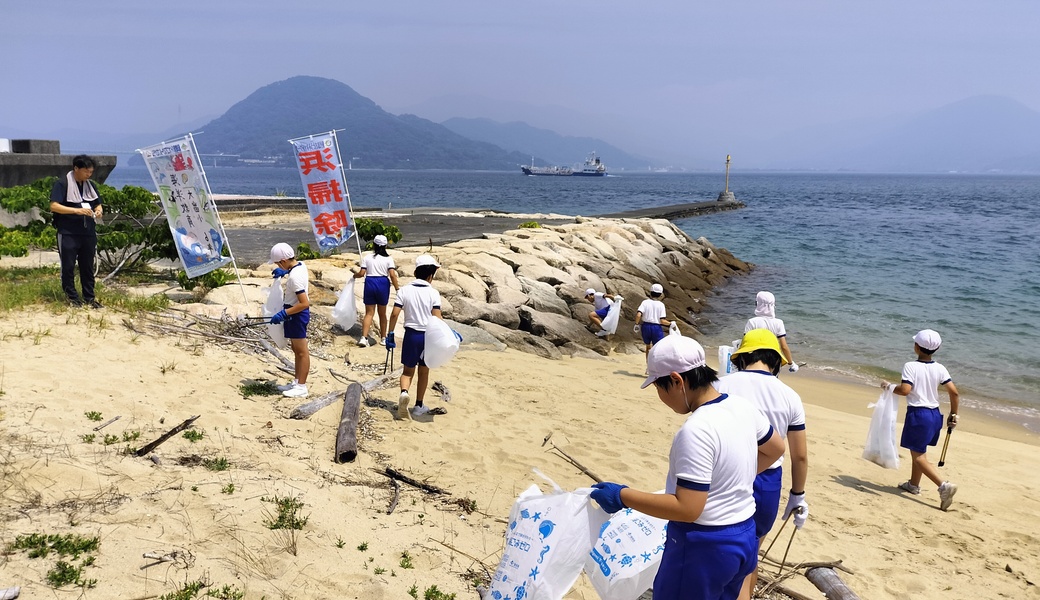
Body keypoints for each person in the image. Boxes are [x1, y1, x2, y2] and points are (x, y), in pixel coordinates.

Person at [590, 335, 786, 600]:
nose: (660, 397)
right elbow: (775, 449)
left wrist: (622, 496)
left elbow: (688, 509)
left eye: (659, 388)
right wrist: (731, 479)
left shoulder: (696, 431)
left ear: (677, 381)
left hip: (703, 546)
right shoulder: (741, 406)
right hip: (743, 535)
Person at [715, 328, 808, 600]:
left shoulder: (721, 386)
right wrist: (797, 496)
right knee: (750, 555)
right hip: (766, 481)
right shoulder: (789, 395)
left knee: (718, 546)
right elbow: (799, 455)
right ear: (776, 361)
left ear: (742, 358)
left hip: (723, 475)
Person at [882, 329, 960, 511]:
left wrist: (888, 386)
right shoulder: (940, 368)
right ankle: (913, 485)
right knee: (920, 451)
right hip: (935, 415)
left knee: (918, 457)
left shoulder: (911, 366)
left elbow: (905, 390)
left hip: (918, 415)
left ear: (916, 347)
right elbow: (954, 393)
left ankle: (944, 486)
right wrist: (953, 415)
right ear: (937, 348)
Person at [386, 254, 442, 420]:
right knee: (424, 371)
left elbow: (395, 314)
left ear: (416, 272)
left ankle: (404, 393)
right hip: (428, 337)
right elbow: (437, 316)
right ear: (431, 275)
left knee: (408, 371)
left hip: (411, 335)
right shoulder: (433, 293)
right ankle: (418, 405)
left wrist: (390, 334)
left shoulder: (404, 290)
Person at [49, 155, 103, 308]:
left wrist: (98, 211)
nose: (89, 175)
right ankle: (72, 297)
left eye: (91, 172)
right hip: (68, 232)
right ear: (76, 169)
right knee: (68, 266)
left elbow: (97, 204)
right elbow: (54, 206)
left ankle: (89, 298)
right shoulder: (62, 183)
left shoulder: (90, 186)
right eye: (86, 171)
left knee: (87, 266)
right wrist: (76, 211)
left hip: (87, 232)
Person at [268, 243, 311, 398]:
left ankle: (301, 387)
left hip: (297, 314)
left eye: (278, 263)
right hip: (293, 312)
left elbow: (304, 303)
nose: (278, 266)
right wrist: (284, 273)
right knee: (296, 350)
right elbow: (294, 271)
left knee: (302, 352)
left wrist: (284, 314)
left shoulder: (294, 278)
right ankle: (296, 381)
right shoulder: (300, 266)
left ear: (284, 261)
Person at [353, 234, 400, 347]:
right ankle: (383, 338)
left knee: (369, 313)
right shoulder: (389, 259)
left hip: (370, 282)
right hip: (383, 283)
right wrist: (397, 288)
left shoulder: (368, 257)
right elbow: (392, 275)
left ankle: (364, 338)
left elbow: (362, 273)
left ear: (374, 244)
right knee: (382, 313)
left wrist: (354, 276)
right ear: (385, 246)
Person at [744, 291, 797, 372]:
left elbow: (745, 344)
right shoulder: (778, 323)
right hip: (773, 360)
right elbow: (784, 347)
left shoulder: (752, 322)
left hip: (754, 359)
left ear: (758, 304)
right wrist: (791, 364)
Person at [635, 283, 671, 360]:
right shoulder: (661, 305)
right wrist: (671, 324)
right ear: (660, 294)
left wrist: (636, 324)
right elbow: (662, 321)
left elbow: (638, 315)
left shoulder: (645, 302)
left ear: (650, 292)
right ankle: (655, 366)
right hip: (656, 328)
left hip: (646, 326)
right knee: (657, 348)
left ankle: (648, 367)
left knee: (648, 347)